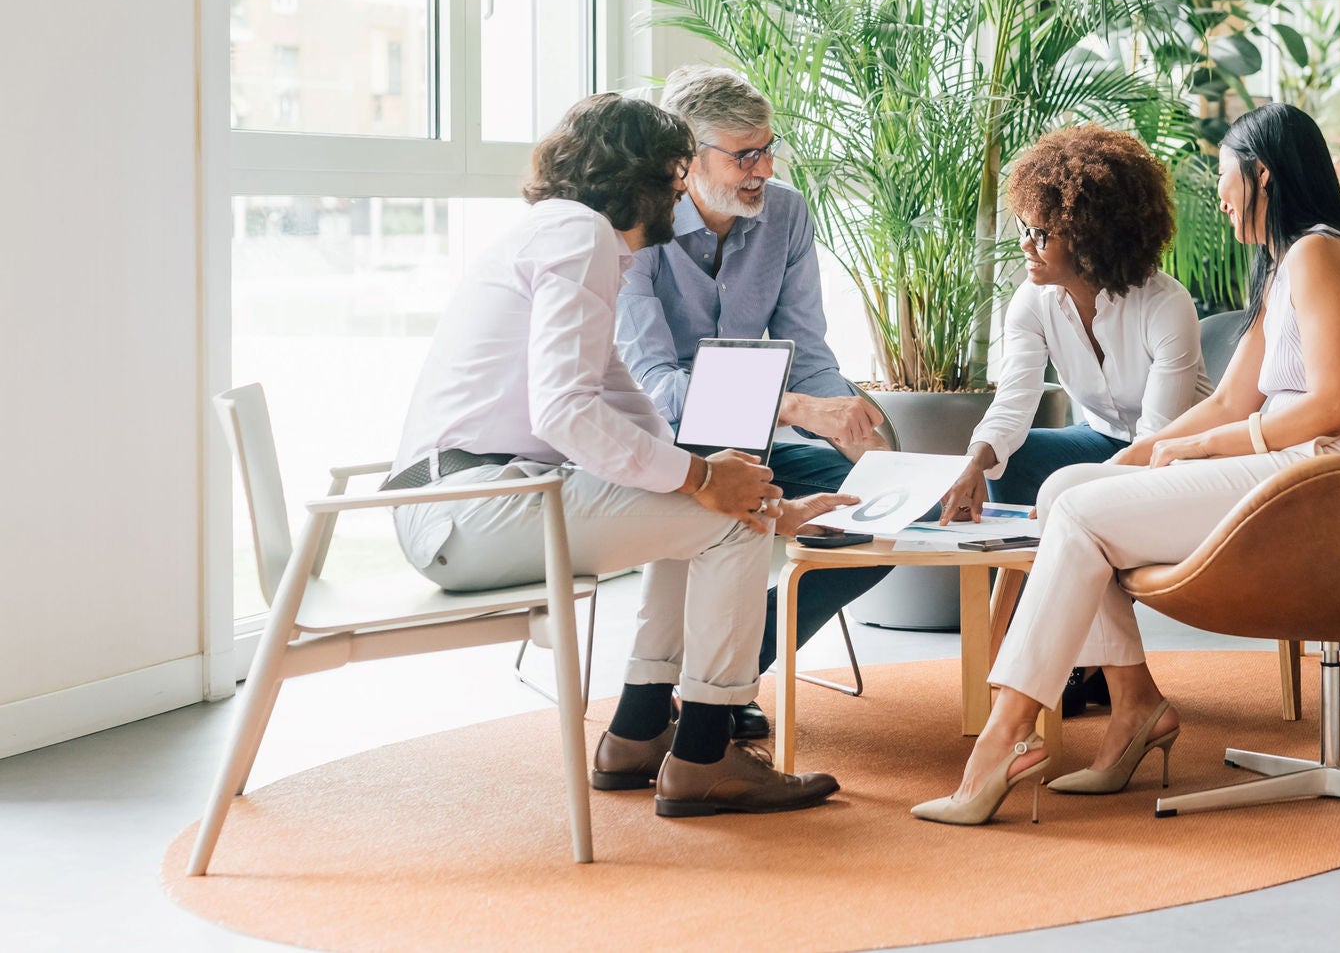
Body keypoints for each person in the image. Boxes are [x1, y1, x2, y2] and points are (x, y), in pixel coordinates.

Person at [913, 103, 1340, 825]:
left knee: (1080, 511)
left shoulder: (1319, 252)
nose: (1222, 193)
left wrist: (1197, 446)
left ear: (1262, 173)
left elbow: (1333, 402)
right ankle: (1136, 705)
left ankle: (1001, 741)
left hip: (1337, 472)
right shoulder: (1287, 266)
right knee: (1063, 492)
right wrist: (1146, 454)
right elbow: (1235, 396)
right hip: (1299, 461)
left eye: (1226, 176)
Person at [385, 93, 848, 818]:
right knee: (722, 519)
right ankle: (703, 754)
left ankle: (636, 734)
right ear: (642, 176)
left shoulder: (564, 234)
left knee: (702, 508)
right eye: (674, 170)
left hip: (464, 501)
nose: (680, 187)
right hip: (468, 508)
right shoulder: (581, 237)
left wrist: (749, 495)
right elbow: (565, 412)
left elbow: (621, 399)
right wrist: (707, 481)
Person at [615, 65, 892, 741]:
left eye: (766, 148)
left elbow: (810, 351)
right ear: (686, 159)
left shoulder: (787, 213)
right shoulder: (638, 225)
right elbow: (658, 390)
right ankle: (710, 697)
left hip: (758, 447)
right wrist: (795, 408)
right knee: (735, 504)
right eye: (743, 154)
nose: (761, 168)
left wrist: (867, 444)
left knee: (878, 518)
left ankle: (725, 671)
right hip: (666, 454)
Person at [935, 124, 1210, 525]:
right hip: (1103, 439)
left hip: (1180, 455)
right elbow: (1013, 403)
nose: (1025, 244)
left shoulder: (1165, 305)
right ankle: (1021, 570)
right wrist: (974, 462)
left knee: (1076, 491)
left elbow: (1154, 441)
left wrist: (1073, 495)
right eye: (1022, 227)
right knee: (1010, 458)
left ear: (1091, 236)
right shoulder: (1032, 302)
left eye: (1040, 233)